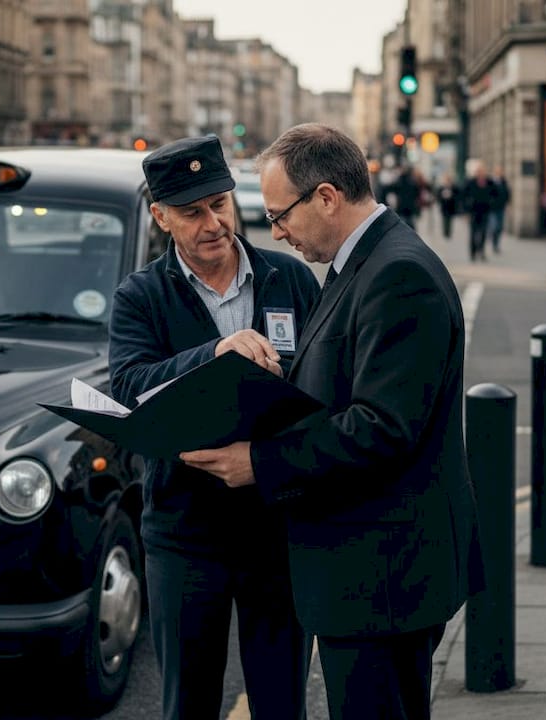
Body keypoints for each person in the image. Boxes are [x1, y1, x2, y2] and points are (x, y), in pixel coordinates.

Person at [180, 123, 484, 720]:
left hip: (383, 579)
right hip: (367, 572)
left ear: (325, 197)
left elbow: (381, 428)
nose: (276, 232)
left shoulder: (399, 277)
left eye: (280, 214)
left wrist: (258, 462)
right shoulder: (361, 264)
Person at [108, 135, 319, 720]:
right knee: (189, 704)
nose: (213, 223)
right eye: (192, 212)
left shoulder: (289, 279)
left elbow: (324, 389)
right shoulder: (141, 296)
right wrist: (216, 354)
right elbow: (127, 386)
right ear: (161, 217)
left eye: (220, 203)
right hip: (184, 536)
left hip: (275, 529)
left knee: (281, 703)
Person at [462, 161, 498, 261]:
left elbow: (496, 194)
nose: (481, 173)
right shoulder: (470, 182)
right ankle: (472, 253)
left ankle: (481, 251)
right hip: (473, 211)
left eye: (482, 171)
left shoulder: (489, 182)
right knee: (473, 233)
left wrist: (492, 204)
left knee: (483, 232)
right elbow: (464, 196)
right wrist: (465, 211)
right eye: (479, 171)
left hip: (485, 211)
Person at [488, 164, 510, 253]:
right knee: (494, 226)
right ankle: (492, 240)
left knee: (500, 227)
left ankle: (496, 244)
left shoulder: (504, 181)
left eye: (501, 171)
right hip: (492, 208)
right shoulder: (491, 182)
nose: (500, 173)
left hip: (501, 208)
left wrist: (507, 205)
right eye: (498, 171)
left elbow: (507, 194)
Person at [436, 172, 458, 241]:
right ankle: (445, 232)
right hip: (444, 206)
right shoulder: (442, 187)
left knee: (450, 220)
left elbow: (457, 195)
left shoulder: (453, 187)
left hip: (451, 206)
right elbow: (438, 196)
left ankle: (449, 232)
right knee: (444, 220)